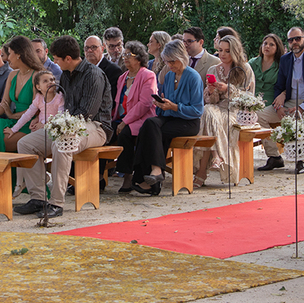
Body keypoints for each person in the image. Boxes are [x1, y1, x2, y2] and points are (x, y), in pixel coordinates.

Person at [14, 36, 113, 218]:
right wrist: (44, 121)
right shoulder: (66, 75)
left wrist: (60, 127)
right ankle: (39, 198)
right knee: (25, 144)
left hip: (96, 127)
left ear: (68, 58)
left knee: (63, 142)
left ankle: (57, 203)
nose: (55, 63)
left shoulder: (94, 75)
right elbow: (61, 106)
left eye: (57, 59)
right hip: (67, 125)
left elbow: (87, 112)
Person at [129, 39, 203, 195]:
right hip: (170, 116)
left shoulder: (193, 77)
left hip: (188, 122)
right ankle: (153, 174)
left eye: (172, 61)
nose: (170, 65)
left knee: (153, 129)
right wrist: (162, 105)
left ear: (182, 57)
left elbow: (197, 110)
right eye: (167, 62)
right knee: (149, 124)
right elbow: (167, 106)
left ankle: (152, 175)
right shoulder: (169, 76)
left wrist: (174, 107)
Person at [256, 27, 304, 174]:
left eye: (297, 38)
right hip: (291, 101)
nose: (294, 42)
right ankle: (274, 156)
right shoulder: (285, 59)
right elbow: (279, 85)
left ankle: (302, 160)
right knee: (259, 115)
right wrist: (279, 106)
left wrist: (302, 107)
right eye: (291, 40)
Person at [193, 34, 256, 187]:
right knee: (207, 110)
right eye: (220, 50)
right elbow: (210, 101)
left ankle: (202, 172)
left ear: (235, 51)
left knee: (208, 116)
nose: (222, 54)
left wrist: (229, 89)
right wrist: (211, 91)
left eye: (227, 51)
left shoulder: (244, 69)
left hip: (237, 111)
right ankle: (216, 156)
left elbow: (249, 98)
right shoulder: (213, 69)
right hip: (217, 108)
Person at [0, 35, 42, 153]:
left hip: (29, 124)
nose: (7, 58)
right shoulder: (12, 75)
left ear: (19, 54)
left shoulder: (36, 76)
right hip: (14, 121)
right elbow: (4, 103)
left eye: (10, 53)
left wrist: (12, 115)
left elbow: (35, 110)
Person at [109, 41, 159, 191]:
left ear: (138, 58)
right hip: (120, 118)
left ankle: (128, 176)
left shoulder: (148, 75)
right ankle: (98, 177)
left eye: (128, 55)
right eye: (124, 54)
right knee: (105, 132)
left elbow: (145, 103)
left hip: (141, 119)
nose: (124, 57)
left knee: (125, 134)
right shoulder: (122, 77)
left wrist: (125, 121)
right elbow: (117, 101)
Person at [248, 33, 285, 164]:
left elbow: (289, 84)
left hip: (274, 103)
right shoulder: (253, 63)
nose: (267, 46)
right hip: (253, 101)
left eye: (271, 44)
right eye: (265, 43)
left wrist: (284, 94)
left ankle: (274, 156)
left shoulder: (281, 64)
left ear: (277, 47)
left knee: (257, 115)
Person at [7, 70, 65, 138]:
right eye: (45, 81)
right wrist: (13, 129)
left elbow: (61, 117)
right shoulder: (38, 99)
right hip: (39, 128)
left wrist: (44, 123)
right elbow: (27, 115)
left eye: (52, 80)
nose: (50, 82)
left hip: (53, 129)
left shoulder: (59, 98)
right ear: (38, 87)